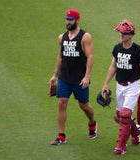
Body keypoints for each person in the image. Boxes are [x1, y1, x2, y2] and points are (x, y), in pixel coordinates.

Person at [48, 9, 97, 145]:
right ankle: (61, 135)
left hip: (79, 79)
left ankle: (92, 123)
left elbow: (90, 57)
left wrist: (87, 77)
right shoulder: (61, 37)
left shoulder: (85, 37)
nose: (68, 22)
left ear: (77, 20)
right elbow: (60, 57)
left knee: (84, 106)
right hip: (65, 77)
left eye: (71, 19)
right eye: (67, 19)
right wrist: (54, 75)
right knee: (61, 102)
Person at [101, 20, 140, 155]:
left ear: (131, 35)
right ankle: (136, 131)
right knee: (119, 117)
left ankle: (121, 147)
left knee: (125, 114)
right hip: (119, 86)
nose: (121, 35)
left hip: (133, 86)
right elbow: (113, 66)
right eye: (120, 32)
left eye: (124, 33)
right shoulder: (117, 48)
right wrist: (106, 84)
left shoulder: (138, 50)